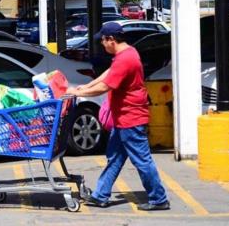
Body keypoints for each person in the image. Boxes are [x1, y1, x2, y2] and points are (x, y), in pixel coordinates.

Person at [66, 22, 170, 211]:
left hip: (130, 118)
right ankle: (101, 195)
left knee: (142, 160)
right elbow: (108, 74)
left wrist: (77, 93)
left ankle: (159, 198)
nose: (102, 45)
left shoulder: (125, 59)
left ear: (111, 40)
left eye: (103, 41)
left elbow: (106, 86)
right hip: (123, 118)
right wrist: (87, 86)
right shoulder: (126, 53)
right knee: (114, 157)